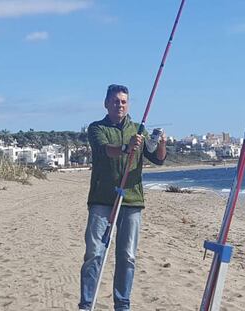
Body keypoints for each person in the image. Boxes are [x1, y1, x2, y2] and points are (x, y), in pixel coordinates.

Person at [78, 84, 167, 311]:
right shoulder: (96, 128)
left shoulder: (139, 129)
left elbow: (158, 159)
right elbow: (105, 150)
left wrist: (162, 143)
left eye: (124, 101)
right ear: (106, 103)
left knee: (127, 256)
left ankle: (122, 304)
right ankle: (87, 304)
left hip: (131, 200)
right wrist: (127, 147)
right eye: (116, 101)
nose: (120, 105)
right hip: (102, 199)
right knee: (94, 253)